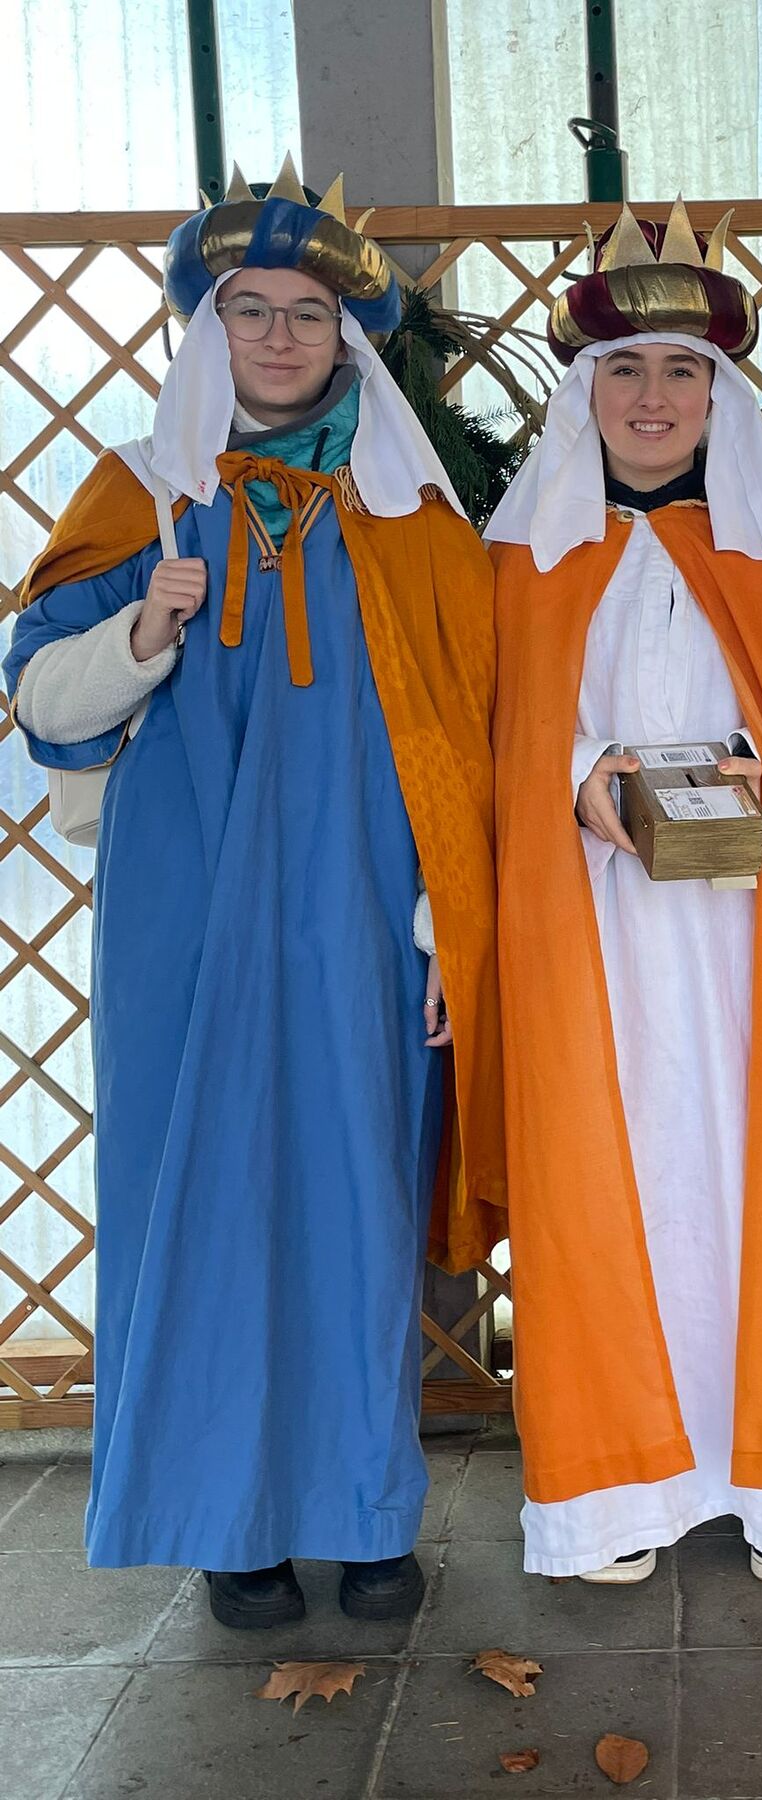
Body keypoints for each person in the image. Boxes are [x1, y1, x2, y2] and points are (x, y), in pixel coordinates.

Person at [4, 160, 505, 1627]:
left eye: (307, 315)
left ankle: (364, 1512)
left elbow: (465, 741)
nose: (280, 337)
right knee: (201, 1195)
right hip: (187, 917)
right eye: (250, 311)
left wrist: (444, 929)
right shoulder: (139, 495)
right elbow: (40, 703)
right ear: (206, 329)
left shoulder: (411, 515)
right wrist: (141, 634)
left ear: (347, 337)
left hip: (361, 914)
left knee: (354, 1196)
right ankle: (229, 1527)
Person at [485, 202, 762, 1584]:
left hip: (749, 931)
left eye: (680, 371)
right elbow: (485, 736)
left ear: (719, 396)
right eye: (624, 371)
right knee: (606, 1186)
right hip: (588, 925)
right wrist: (577, 775)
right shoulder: (522, 564)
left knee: (759, 1169)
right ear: (584, 391)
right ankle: (617, 1497)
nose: (651, 398)